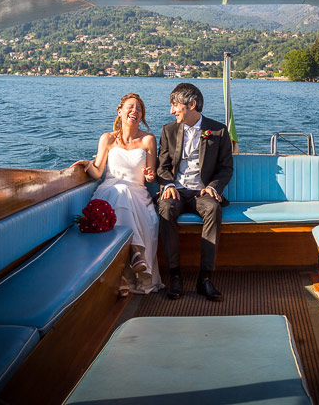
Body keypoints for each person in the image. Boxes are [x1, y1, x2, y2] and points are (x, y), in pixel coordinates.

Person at [72, 93, 162, 296]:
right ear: (119, 111)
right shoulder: (108, 138)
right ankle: (135, 253)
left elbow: (151, 177)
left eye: (139, 109)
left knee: (125, 194)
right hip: (109, 189)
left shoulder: (148, 140)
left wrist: (150, 175)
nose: (135, 111)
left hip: (137, 192)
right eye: (131, 107)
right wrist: (88, 165)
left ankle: (121, 275)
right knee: (120, 191)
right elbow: (97, 172)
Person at [156, 83, 233, 301]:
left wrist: (213, 187)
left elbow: (226, 167)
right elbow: (162, 166)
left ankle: (205, 279)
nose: (172, 111)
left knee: (213, 210)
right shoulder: (168, 131)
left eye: (175, 105)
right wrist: (168, 186)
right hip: (176, 191)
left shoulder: (217, 131)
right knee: (165, 209)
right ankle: (175, 276)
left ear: (191, 104)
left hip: (202, 193)